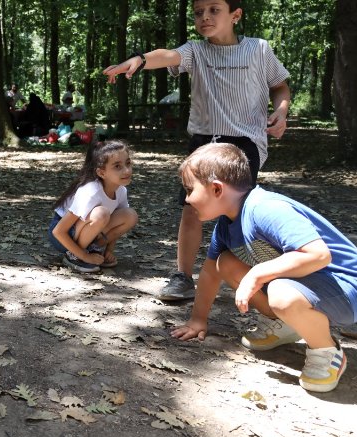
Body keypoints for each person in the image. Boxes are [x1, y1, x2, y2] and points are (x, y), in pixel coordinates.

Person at [103, 0, 290, 302]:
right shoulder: (196, 50)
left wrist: (281, 111)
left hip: (244, 143)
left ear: (235, 15)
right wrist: (138, 59)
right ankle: (182, 277)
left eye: (214, 10)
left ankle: (256, 277)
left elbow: (280, 85)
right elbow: (167, 56)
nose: (205, 17)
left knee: (240, 212)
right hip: (204, 140)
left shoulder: (259, 49)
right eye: (198, 12)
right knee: (192, 208)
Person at [170, 143, 357, 392]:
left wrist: (258, 273)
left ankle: (326, 350)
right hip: (310, 285)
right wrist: (197, 320)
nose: (188, 198)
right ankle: (287, 324)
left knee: (280, 292)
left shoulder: (265, 209)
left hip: (349, 288)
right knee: (225, 261)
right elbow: (210, 272)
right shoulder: (226, 225)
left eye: (190, 189)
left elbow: (319, 255)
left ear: (216, 188)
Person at [47, 141, 139, 272]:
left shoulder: (121, 190)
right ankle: (74, 256)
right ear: (101, 173)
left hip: (88, 231)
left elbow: (117, 222)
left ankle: (95, 249)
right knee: (101, 213)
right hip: (64, 236)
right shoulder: (90, 191)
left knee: (130, 215)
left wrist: (109, 250)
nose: (127, 170)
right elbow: (58, 231)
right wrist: (84, 256)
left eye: (128, 163)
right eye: (117, 166)